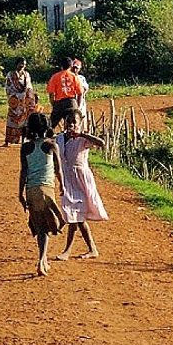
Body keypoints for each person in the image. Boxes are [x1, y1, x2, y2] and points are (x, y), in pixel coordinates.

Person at [16, 110, 66, 276]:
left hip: (31, 190)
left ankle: (43, 260)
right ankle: (41, 259)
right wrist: (62, 186)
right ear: (47, 128)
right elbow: (58, 170)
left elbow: (24, 171)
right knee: (50, 225)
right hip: (46, 190)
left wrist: (20, 194)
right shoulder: (52, 145)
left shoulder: (25, 147)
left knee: (39, 227)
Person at [54, 106, 108, 259]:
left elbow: (101, 143)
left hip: (81, 180)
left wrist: (82, 134)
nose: (71, 125)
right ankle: (92, 249)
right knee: (76, 216)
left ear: (80, 123)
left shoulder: (83, 140)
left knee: (75, 216)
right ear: (64, 123)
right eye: (68, 122)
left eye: (74, 123)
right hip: (67, 180)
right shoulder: (60, 139)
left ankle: (67, 250)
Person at [4, 59, 40, 147]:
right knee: (12, 120)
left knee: (25, 121)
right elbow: (9, 88)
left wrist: (29, 96)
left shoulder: (26, 74)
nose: (22, 66)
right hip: (15, 102)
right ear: (16, 64)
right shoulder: (10, 75)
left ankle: (23, 140)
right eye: (21, 64)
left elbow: (29, 87)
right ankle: (8, 140)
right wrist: (19, 96)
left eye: (24, 65)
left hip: (24, 102)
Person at [47, 58, 89, 125]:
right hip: (71, 102)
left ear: (61, 66)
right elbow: (80, 93)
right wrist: (77, 106)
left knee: (51, 125)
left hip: (59, 103)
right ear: (71, 66)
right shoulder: (74, 76)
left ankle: (47, 134)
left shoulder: (55, 77)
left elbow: (51, 93)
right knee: (74, 124)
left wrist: (54, 104)